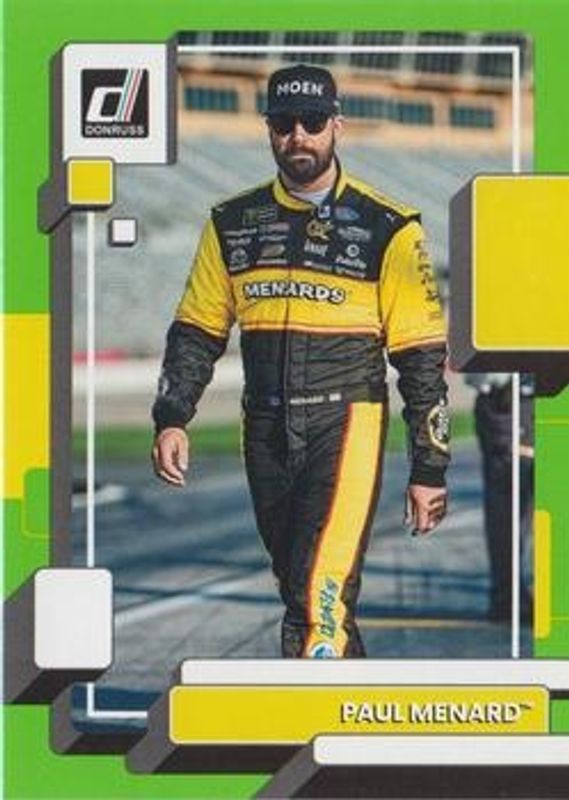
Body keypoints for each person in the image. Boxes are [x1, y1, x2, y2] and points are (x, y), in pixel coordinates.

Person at [151, 64, 450, 658]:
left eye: (312, 121)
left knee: (320, 597)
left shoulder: (390, 227)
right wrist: (172, 416)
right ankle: (350, 713)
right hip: (264, 425)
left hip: (347, 422)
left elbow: (421, 361)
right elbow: (196, 330)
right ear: (268, 129)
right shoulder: (231, 222)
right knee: (301, 590)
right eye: (284, 123)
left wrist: (429, 468)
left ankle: (310, 714)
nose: (298, 136)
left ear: (337, 124)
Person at [467, 373, 533, 622]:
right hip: (514, 399)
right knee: (508, 506)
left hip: (516, 398)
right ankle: (510, 599)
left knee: (507, 506)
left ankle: (510, 599)